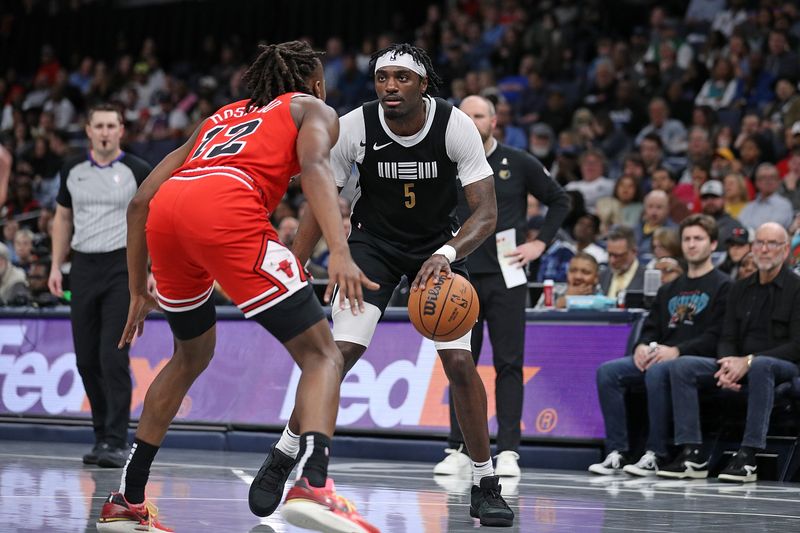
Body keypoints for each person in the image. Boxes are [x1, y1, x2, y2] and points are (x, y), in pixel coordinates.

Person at [96, 42, 379, 533]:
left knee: (190, 356)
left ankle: (127, 499)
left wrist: (140, 287)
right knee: (322, 356)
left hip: (169, 214)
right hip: (226, 206)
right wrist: (338, 248)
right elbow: (316, 170)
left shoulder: (219, 117)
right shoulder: (313, 108)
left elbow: (141, 200)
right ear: (315, 83)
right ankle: (315, 485)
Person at [267, 43, 514, 527]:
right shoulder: (355, 125)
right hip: (371, 246)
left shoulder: (454, 125)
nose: (391, 87)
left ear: (424, 85)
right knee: (338, 354)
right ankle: (285, 454)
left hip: (437, 248)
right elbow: (323, 198)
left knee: (461, 364)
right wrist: (295, 260)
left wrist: (447, 254)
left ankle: (486, 485)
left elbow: (486, 211)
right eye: (383, 78)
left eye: (402, 78)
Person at [443, 94, 568, 478]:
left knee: (509, 364)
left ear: (494, 122)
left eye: (478, 115)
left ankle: (509, 450)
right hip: (460, 276)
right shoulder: (448, 163)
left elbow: (560, 200)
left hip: (507, 276)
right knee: (460, 365)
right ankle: (459, 448)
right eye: (464, 115)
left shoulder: (518, 161)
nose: (471, 121)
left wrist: (539, 243)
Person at [48, 103, 152, 468]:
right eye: (99, 126)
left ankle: (115, 439)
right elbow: (62, 217)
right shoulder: (72, 169)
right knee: (86, 360)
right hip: (83, 266)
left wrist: (150, 269)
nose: (106, 132)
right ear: (88, 130)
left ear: (122, 130)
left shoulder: (137, 169)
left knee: (113, 356)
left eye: (112, 125)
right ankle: (100, 436)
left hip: (123, 267)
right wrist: (57, 265)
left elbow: (153, 221)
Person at [590, 214, 730, 476]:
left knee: (658, 370)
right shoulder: (669, 289)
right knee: (608, 371)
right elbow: (652, 327)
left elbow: (718, 336)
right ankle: (618, 451)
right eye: (687, 238)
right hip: (662, 356)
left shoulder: (724, 286)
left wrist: (677, 351)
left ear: (712, 244)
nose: (691, 244)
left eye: (698, 239)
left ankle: (656, 452)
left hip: (697, 360)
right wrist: (642, 346)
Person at [660, 223, 800, 483]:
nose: (765, 249)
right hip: (738, 363)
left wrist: (747, 362)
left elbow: (796, 345)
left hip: (783, 366)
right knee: (683, 366)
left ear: (785, 250)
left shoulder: (796, 288)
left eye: (772, 244)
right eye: (759, 243)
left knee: (762, 366)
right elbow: (727, 337)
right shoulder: (740, 288)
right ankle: (692, 453)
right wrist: (727, 365)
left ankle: (748, 456)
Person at [600, 225, 646, 298]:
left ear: (634, 252)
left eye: (618, 256)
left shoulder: (647, 279)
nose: (612, 260)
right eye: (609, 254)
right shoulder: (601, 277)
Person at [698, 180, 744, 251]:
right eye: (705, 198)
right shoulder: (694, 223)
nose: (709, 201)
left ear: (724, 199)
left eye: (714, 197)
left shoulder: (734, 225)